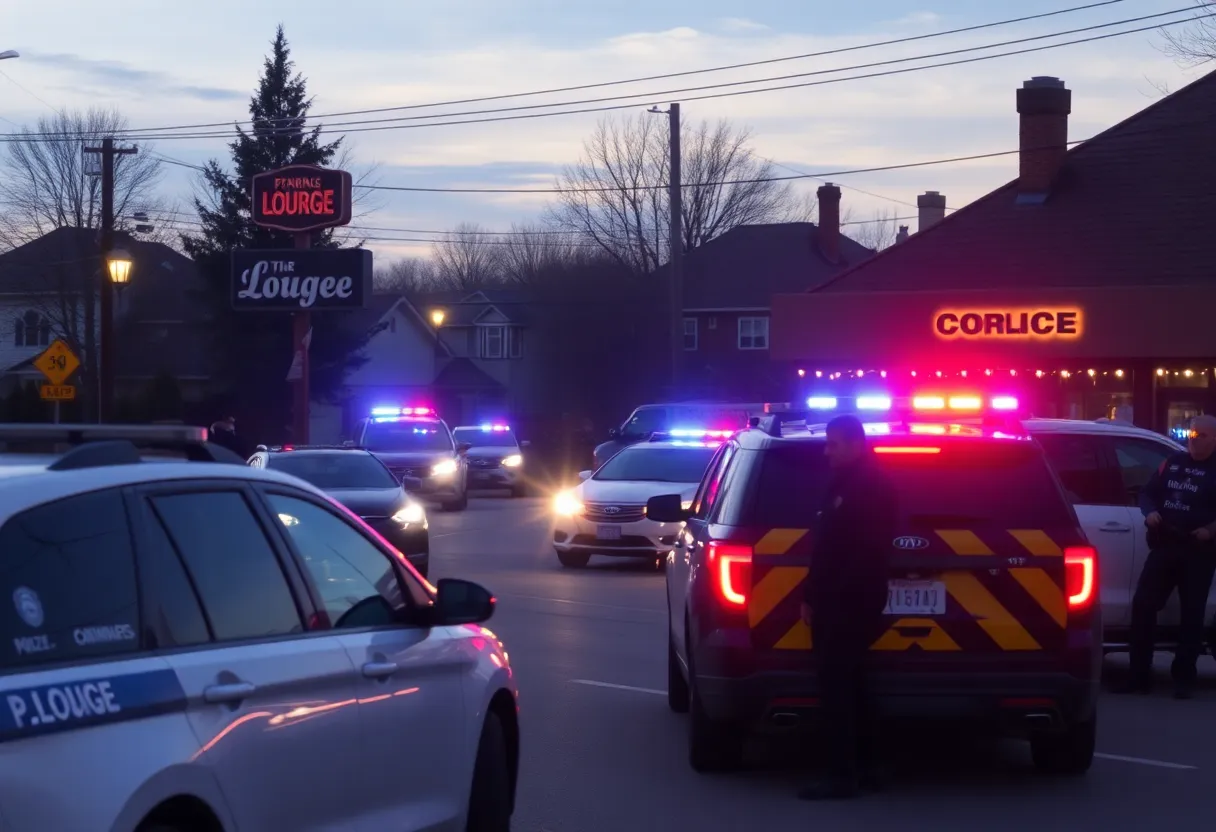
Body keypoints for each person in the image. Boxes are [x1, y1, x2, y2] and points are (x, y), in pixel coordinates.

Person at [798, 414, 898, 800]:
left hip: (850, 601)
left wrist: (831, 597)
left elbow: (865, 552)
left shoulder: (869, 486)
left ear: (856, 444)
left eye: (833, 444)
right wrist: (811, 594)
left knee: (836, 686)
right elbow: (826, 548)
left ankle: (840, 775)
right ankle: (870, 766)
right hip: (839, 599)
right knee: (854, 681)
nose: (827, 452)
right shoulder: (846, 482)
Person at [1119, 413, 1216, 699]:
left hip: (1198, 550)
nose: (1194, 440)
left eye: (1201, 436)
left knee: (1192, 615)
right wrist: (1150, 513)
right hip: (1165, 545)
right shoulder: (1173, 462)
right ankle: (1138, 676)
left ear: (1214, 439)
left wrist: (1210, 531)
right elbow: (1147, 494)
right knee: (1143, 605)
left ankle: (1184, 678)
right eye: (1191, 434)